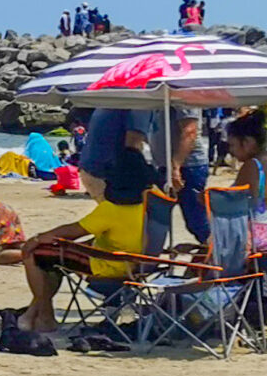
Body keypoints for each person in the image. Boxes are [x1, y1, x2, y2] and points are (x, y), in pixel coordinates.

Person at [16, 137, 156, 333]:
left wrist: (36, 238)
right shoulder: (149, 206)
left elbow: (72, 231)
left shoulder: (113, 209)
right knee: (52, 262)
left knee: (35, 253)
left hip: (108, 266)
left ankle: (45, 316)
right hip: (139, 265)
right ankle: (33, 314)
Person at [226, 110, 267, 253]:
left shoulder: (253, 166)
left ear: (248, 142)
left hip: (254, 242)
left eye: (233, 145)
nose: (231, 151)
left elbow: (231, 203)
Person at [149, 107, 210, 244]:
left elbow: (190, 132)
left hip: (188, 167)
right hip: (164, 166)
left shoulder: (184, 99)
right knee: (156, 219)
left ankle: (216, 255)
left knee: (196, 220)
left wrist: (176, 166)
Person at [78, 109, 153, 202]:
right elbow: (132, 147)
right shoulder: (141, 107)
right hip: (105, 173)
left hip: (90, 166)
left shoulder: (114, 100)